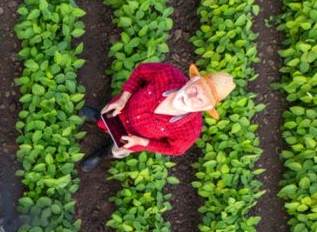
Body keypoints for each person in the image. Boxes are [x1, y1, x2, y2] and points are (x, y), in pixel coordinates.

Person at [79, 62, 235, 172]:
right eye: (196, 89)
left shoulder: (190, 130)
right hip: (121, 110)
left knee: (119, 149)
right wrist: (123, 99)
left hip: (133, 138)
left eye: (201, 100)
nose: (191, 97)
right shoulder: (168, 74)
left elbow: (174, 149)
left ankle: (103, 155)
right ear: (192, 80)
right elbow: (141, 72)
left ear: (206, 108)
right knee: (106, 117)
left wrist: (142, 142)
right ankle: (99, 119)